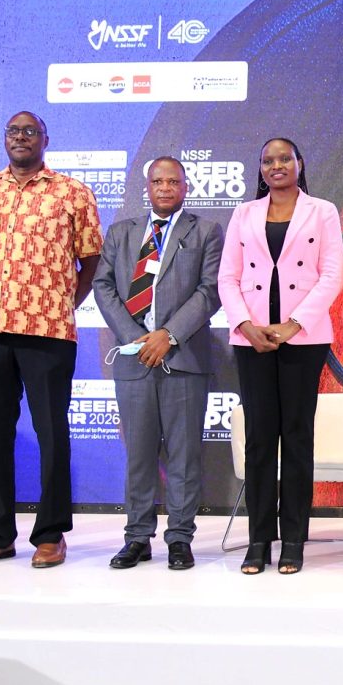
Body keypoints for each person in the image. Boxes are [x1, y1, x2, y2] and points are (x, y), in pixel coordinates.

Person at [0, 112, 101, 569]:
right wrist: (1, 293)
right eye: (13, 132)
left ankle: (51, 534)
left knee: (51, 432)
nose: (20, 138)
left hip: (49, 330)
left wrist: (58, 300)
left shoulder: (72, 192)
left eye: (29, 132)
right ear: (5, 140)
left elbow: (89, 260)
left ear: (45, 140)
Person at [219, 137, 343, 575]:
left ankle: (293, 540)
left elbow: (333, 274)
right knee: (258, 441)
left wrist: (294, 323)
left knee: (296, 439)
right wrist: (246, 325)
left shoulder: (322, 210)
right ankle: (258, 541)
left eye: (284, 159)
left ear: (299, 163)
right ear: (260, 169)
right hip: (251, 339)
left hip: (304, 339)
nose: (276, 166)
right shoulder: (244, 213)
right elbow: (228, 277)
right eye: (268, 160)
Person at [93, 157, 224, 572]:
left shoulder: (205, 231)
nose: (165, 187)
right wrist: (135, 339)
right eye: (157, 181)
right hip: (134, 360)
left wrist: (167, 335)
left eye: (174, 181)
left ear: (186, 186)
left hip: (182, 358)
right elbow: (102, 286)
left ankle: (180, 538)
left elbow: (210, 291)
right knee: (139, 456)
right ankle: (137, 537)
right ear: (145, 187)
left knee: (184, 457)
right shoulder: (121, 233)